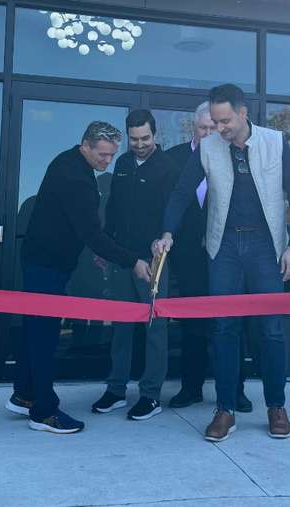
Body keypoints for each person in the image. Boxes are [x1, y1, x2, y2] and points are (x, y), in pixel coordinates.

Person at [154, 84, 290, 442]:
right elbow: (181, 191)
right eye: (215, 122)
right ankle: (225, 409)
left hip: (266, 246)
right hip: (223, 246)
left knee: (271, 329)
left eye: (225, 121)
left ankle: (276, 406)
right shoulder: (207, 147)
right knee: (223, 328)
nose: (219, 128)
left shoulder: (275, 141)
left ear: (242, 113)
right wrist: (167, 231)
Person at [10, 121, 151, 434]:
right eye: (102, 154)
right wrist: (133, 262)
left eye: (112, 155)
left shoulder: (67, 161)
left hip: (41, 259)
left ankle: (24, 394)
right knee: (45, 336)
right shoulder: (75, 177)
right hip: (46, 265)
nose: (106, 161)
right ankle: (43, 412)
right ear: (85, 145)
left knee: (34, 331)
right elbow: (91, 234)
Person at [90, 110, 179, 421]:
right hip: (122, 258)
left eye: (145, 138)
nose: (139, 145)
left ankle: (150, 395)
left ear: (155, 135)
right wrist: (106, 246)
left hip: (154, 259)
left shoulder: (168, 167)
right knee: (121, 326)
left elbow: (173, 212)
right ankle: (116, 390)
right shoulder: (123, 163)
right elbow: (113, 207)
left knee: (155, 328)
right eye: (134, 139)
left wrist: (163, 240)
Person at [166, 101, 253, 413]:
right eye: (203, 128)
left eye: (213, 128)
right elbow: (168, 204)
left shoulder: (235, 154)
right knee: (192, 324)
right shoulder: (173, 159)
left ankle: (236, 390)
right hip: (189, 257)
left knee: (232, 323)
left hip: (229, 256)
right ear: (193, 127)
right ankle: (190, 388)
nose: (208, 133)